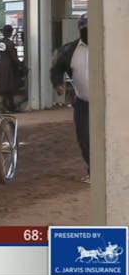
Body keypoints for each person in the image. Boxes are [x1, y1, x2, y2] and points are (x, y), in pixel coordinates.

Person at [50, 13, 89, 183]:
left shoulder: (110, 45)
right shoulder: (69, 50)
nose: (86, 29)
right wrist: (58, 83)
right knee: (85, 136)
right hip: (83, 102)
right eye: (83, 27)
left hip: (110, 103)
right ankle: (93, 170)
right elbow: (57, 69)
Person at [0, 24, 22, 113]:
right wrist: (21, 64)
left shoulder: (1, 43)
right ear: (10, 33)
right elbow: (14, 58)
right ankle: (9, 106)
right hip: (9, 66)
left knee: (4, 86)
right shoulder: (10, 44)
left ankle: (6, 105)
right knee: (9, 86)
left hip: (2, 65)